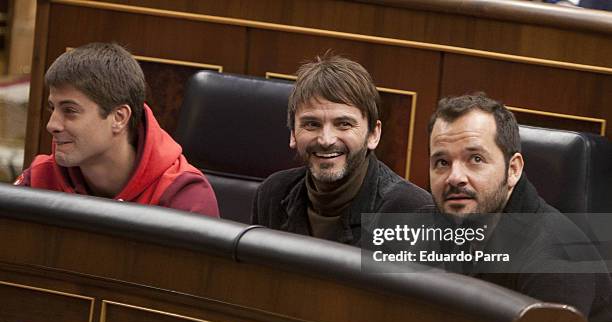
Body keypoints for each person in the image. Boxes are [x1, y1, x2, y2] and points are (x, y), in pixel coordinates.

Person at [428, 93, 612, 322]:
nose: (454, 177)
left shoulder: (556, 264)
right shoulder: (449, 220)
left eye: (475, 159)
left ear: (513, 169)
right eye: (442, 162)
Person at [15, 42, 219, 217]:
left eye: (70, 110)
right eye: (53, 108)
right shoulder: (40, 178)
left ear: (119, 118)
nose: (52, 125)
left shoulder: (184, 196)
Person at [251, 54, 432, 246]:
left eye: (344, 124)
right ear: (293, 134)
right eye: (312, 124)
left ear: (373, 134)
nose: (326, 140)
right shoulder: (272, 195)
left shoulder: (412, 213)